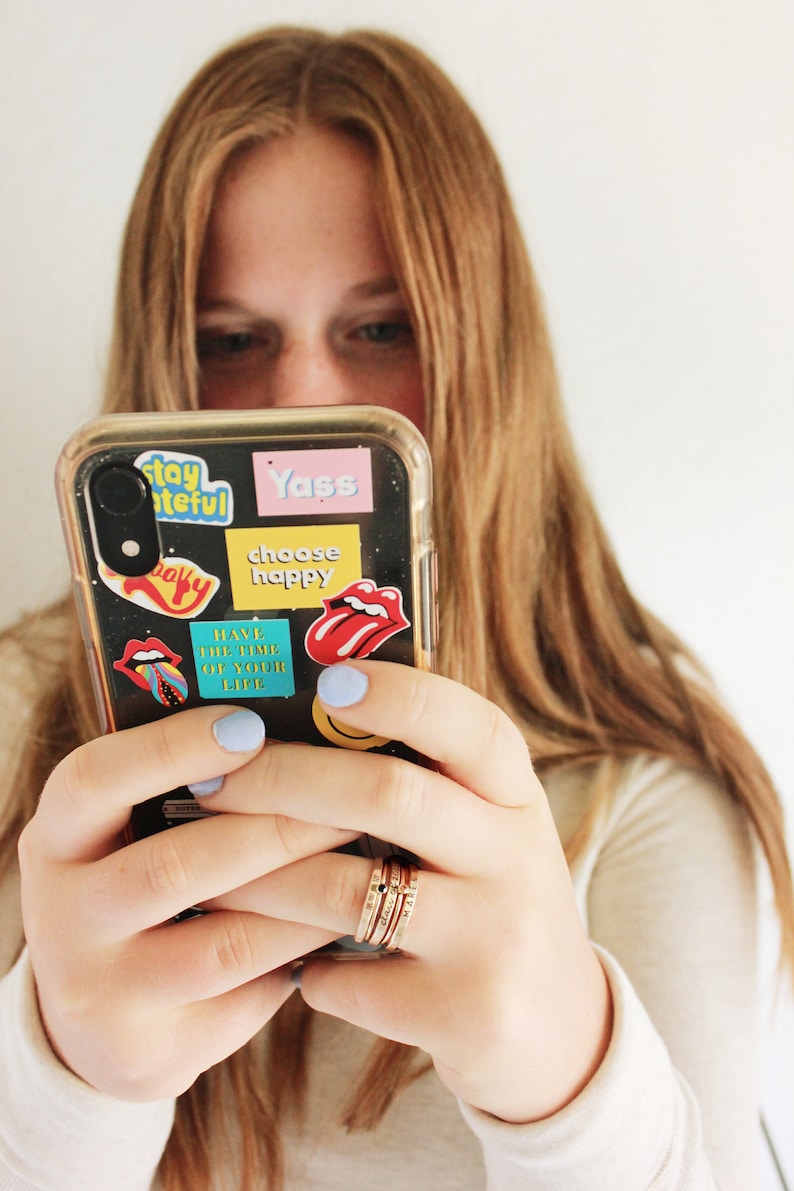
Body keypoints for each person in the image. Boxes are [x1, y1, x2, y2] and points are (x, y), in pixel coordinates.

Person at [0, 25, 791, 1191]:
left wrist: (567, 1090)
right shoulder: (25, 726)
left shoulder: (649, 798)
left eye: (380, 329)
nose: (300, 400)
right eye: (231, 340)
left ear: (483, 353)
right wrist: (61, 1092)